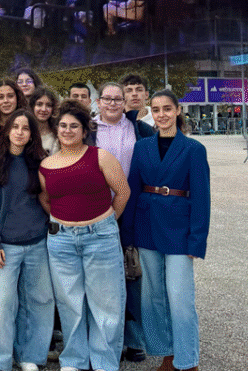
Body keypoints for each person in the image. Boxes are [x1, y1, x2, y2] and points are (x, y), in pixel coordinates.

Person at [38, 99, 130, 371]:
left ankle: (104, 363)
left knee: (107, 303)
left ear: (84, 129)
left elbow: (123, 192)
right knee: (70, 304)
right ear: (57, 129)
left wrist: (104, 223)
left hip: (100, 238)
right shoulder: (46, 165)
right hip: (62, 241)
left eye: (73, 126)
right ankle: (74, 360)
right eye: (63, 125)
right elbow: (46, 199)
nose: (67, 130)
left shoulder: (100, 156)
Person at [122, 91, 210, 371]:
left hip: (179, 230)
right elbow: (133, 189)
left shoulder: (194, 149)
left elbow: (201, 197)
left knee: (180, 298)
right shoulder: (142, 146)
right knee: (152, 297)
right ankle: (167, 354)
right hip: (147, 227)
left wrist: (197, 241)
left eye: (167, 109)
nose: (161, 115)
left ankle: (188, 360)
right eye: (156, 110)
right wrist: (129, 233)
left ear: (178, 110)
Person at [0, 110, 53, 371]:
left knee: (38, 302)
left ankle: (29, 356)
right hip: (5, 246)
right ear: (7, 130)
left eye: (26, 128)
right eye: (15, 127)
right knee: (5, 303)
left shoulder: (40, 163)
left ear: (32, 134)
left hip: (37, 242)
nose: (20, 132)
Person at [93, 82, 152, 362]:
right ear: (99, 101)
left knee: (132, 273)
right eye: (108, 99)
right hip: (95, 206)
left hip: (131, 207)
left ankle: (133, 338)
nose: (113, 103)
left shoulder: (139, 130)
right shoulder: (88, 129)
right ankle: (103, 338)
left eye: (118, 99)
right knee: (100, 276)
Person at [29, 86, 60, 155]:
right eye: (39, 104)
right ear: (32, 106)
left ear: (53, 109)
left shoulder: (58, 136)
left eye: (48, 105)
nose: (43, 109)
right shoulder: (25, 133)